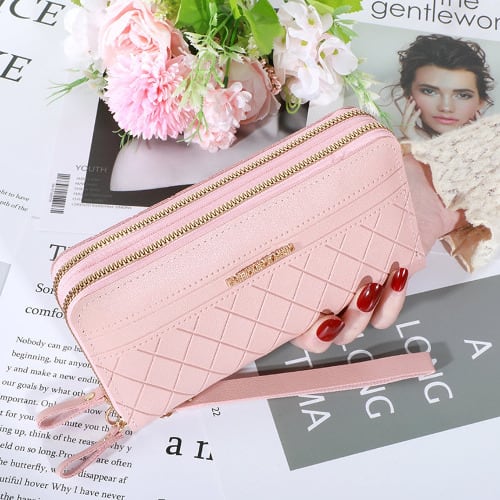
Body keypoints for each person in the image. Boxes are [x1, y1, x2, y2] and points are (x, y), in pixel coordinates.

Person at [392, 34, 494, 141]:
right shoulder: (389, 148)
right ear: (408, 94)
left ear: (480, 102)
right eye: (429, 91)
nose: (446, 108)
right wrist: (420, 144)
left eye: (463, 95)